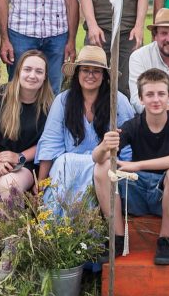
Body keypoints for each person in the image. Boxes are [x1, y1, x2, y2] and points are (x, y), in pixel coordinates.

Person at [0, 50, 54, 280]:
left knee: (9, 187)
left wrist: (18, 157)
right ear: (18, 71)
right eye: (27, 69)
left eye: (38, 71)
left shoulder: (49, 105)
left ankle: (11, 246)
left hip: (25, 160)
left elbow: (48, 141)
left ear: (45, 76)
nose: (32, 75)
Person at [93, 68, 169, 266]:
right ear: (140, 98)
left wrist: (137, 165)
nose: (155, 99)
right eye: (149, 94)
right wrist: (104, 145)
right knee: (101, 168)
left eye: (161, 94)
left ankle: (166, 240)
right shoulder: (133, 125)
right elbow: (97, 158)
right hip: (138, 192)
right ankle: (118, 237)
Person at [36, 45, 135, 217]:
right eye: (85, 70)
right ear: (77, 74)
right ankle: (60, 231)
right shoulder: (63, 101)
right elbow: (51, 143)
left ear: (104, 76)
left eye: (96, 71)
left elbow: (127, 146)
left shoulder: (118, 101)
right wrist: (41, 183)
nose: (90, 75)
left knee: (97, 167)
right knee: (64, 162)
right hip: (67, 170)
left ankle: (90, 230)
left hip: (104, 169)